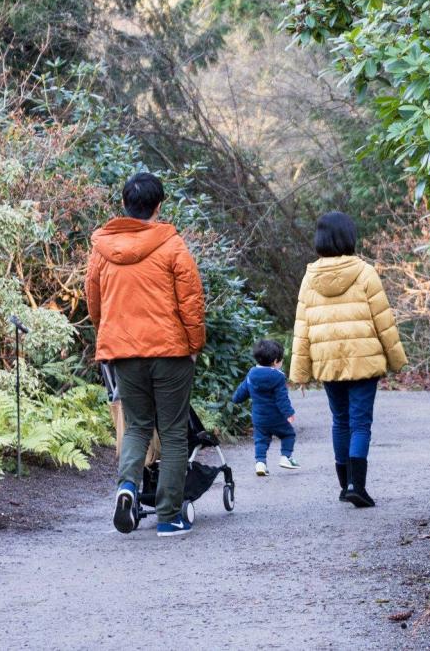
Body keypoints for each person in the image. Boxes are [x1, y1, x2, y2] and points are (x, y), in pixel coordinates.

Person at [86, 172, 206, 537]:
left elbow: (94, 301)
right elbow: (192, 303)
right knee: (172, 433)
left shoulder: (102, 249)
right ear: (158, 206)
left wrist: (109, 336)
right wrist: (194, 344)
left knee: (137, 425)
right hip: (170, 350)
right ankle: (169, 517)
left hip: (123, 350)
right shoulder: (172, 246)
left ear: (124, 205)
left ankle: (128, 489)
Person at [289, 211, 407, 507]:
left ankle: (345, 486)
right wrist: (396, 360)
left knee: (340, 421)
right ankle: (357, 485)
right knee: (360, 423)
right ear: (349, 237)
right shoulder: (365, 272)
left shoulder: (310, 277)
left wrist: (300, 372)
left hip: (328, 360)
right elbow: (384, 321)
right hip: (363, 360)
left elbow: (301, 327)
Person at [233, 339, 298, 477]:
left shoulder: (252, 373)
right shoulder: (278, 377)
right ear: (275, 361)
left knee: (261, 440)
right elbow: (282, 398)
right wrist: (289, 413)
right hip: (276, 418)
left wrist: (236, 399)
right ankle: (285, 457)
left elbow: (242, 391)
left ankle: (260, 463)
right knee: (288, 434)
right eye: (281, 361)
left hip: (259, 418)